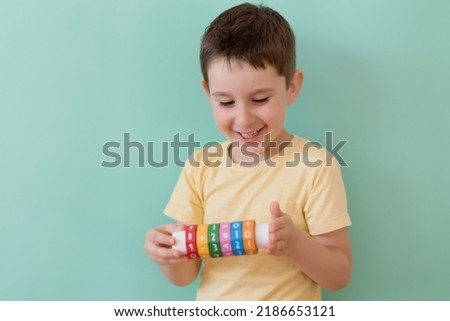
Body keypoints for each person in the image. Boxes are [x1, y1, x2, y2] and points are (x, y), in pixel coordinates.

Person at [144, 2, 352, 300]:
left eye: (260, 99)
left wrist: (296, 244)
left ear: (292, 88)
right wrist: (168, 256)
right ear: (208, 94)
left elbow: (339, 275)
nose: (243, 119)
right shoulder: (200, 168)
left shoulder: (316, 166)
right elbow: (186, 275)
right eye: (226, 102)